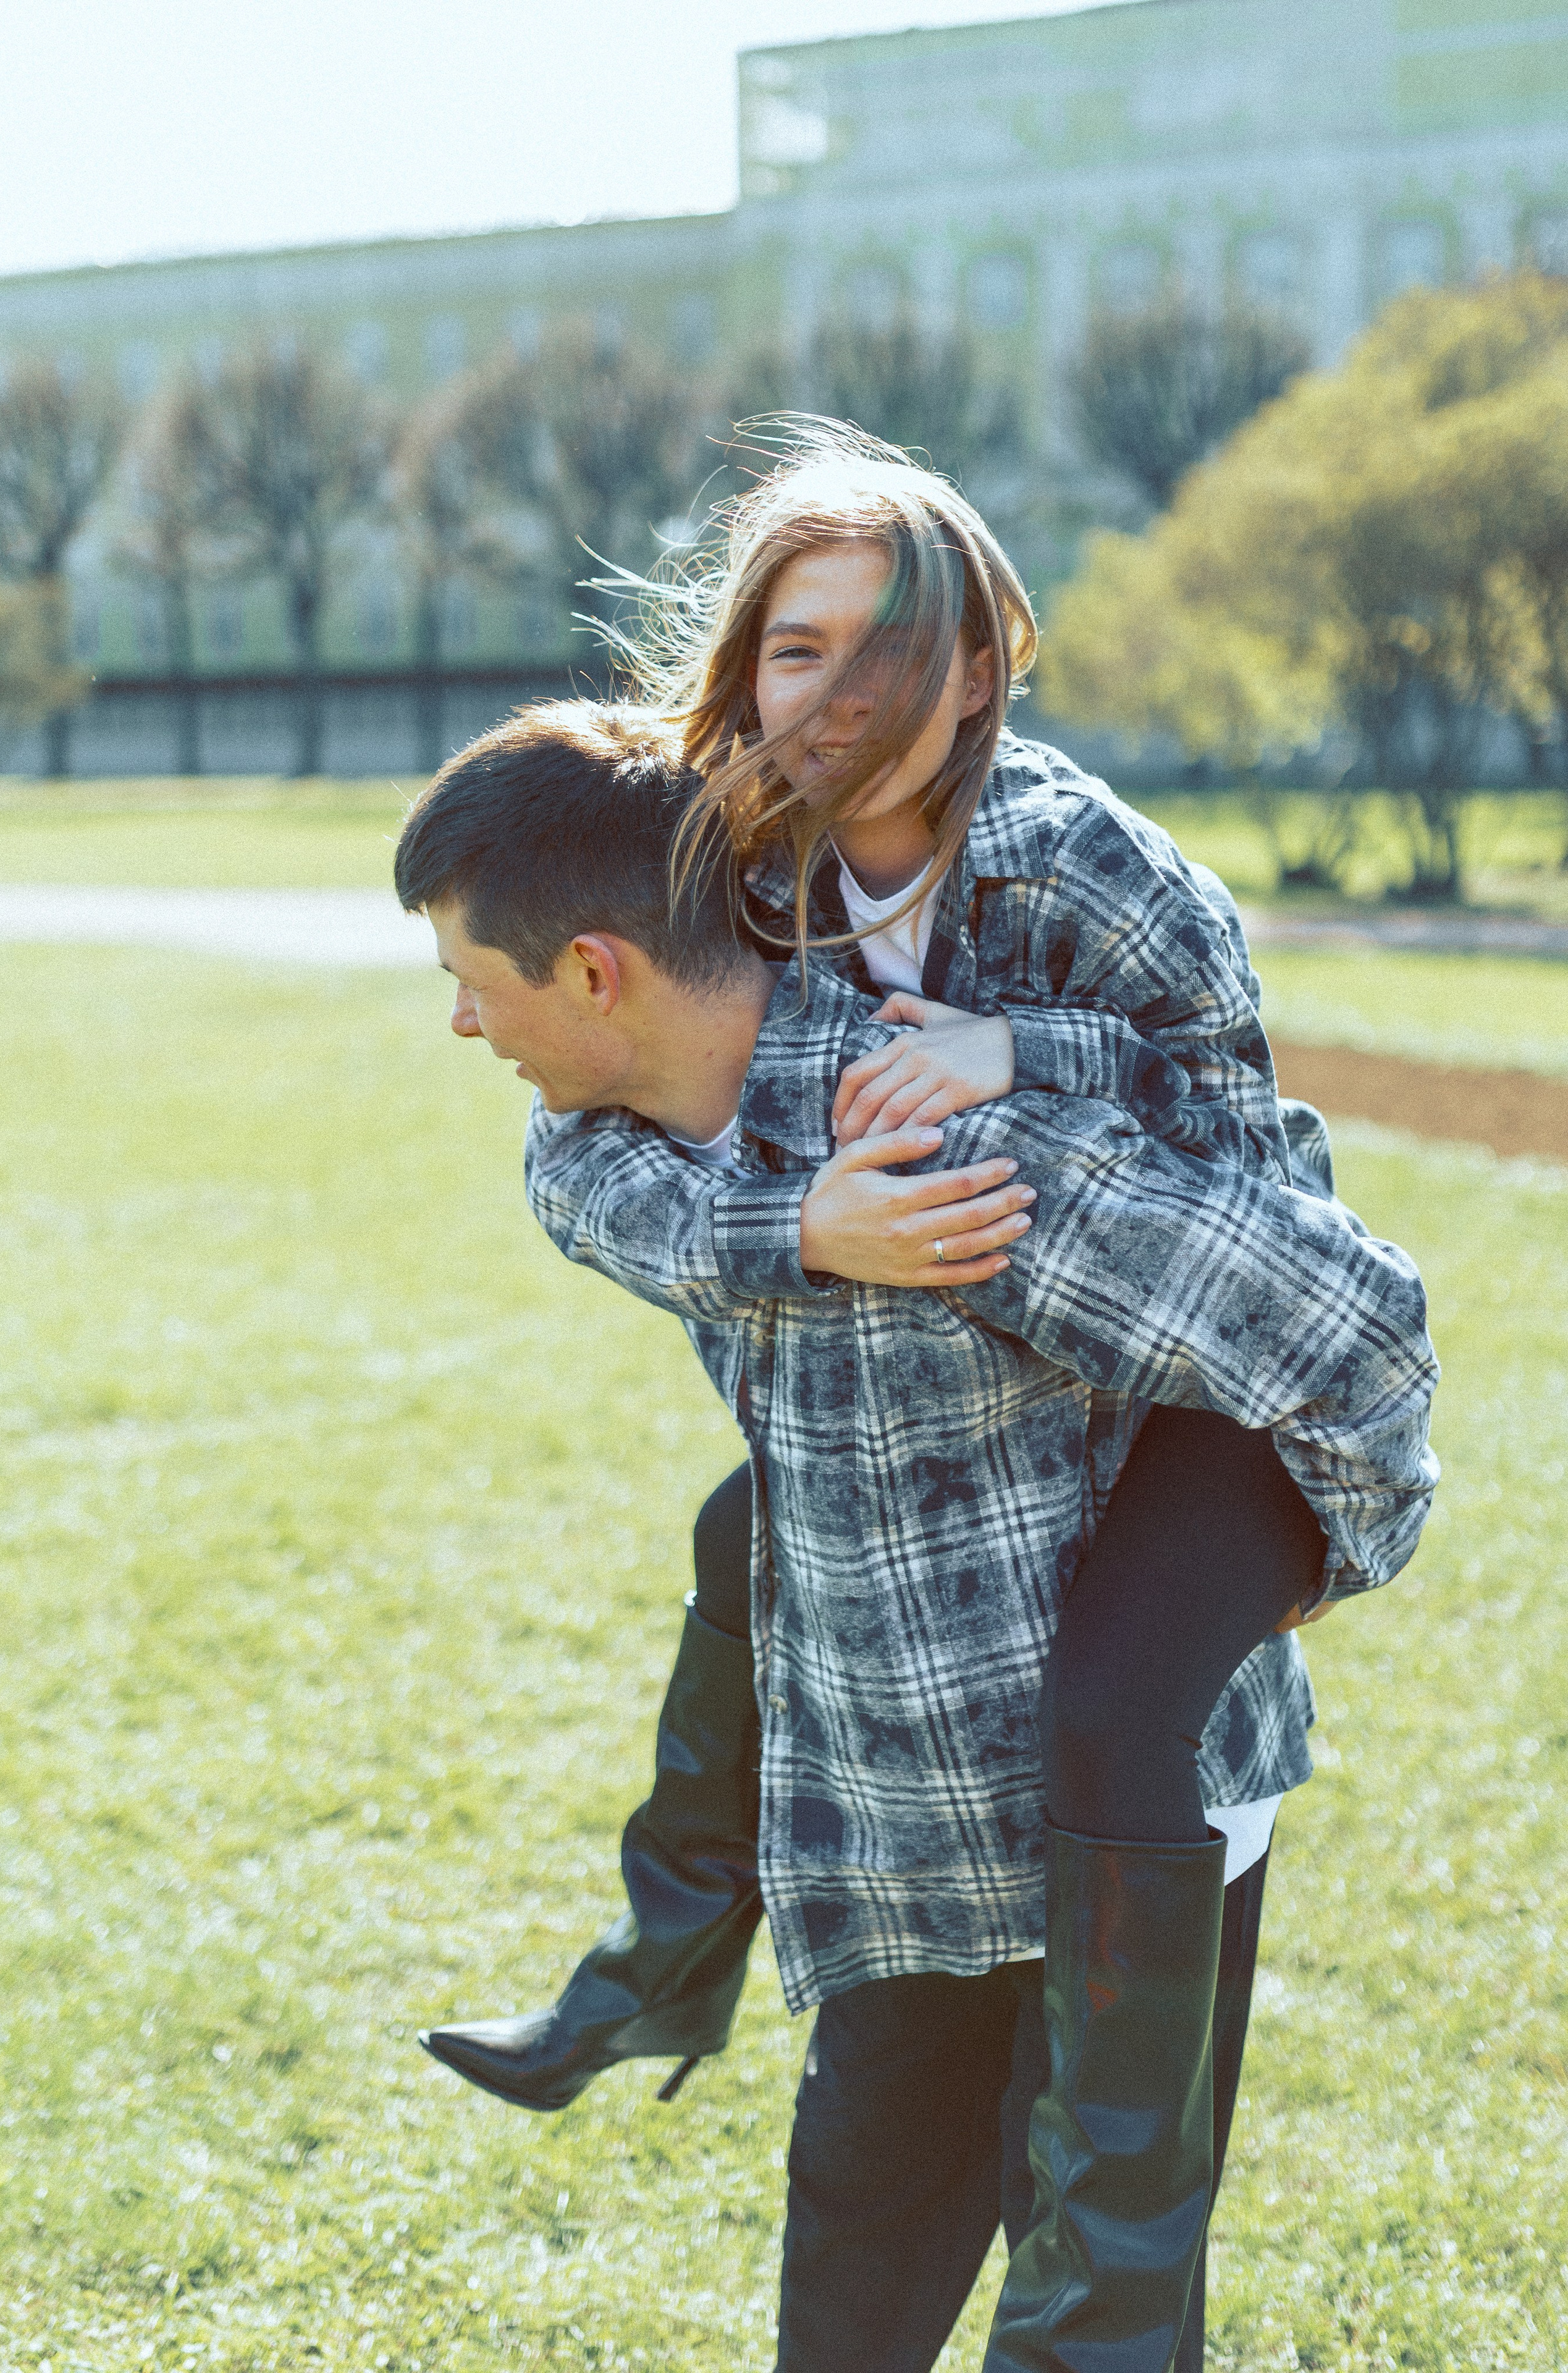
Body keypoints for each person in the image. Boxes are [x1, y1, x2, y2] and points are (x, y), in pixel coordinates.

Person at [398, 698, 1439, 2373]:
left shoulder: (951, 1157)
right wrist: (798, 1228)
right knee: (847, 2313)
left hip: (1122, 1833)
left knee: (1095, 2321)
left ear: (595, 971)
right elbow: (581, 1190)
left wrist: (1321, 1556)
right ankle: (659, 1963)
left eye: (471, 979)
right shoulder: (633, 1129)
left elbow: (1354, 1324)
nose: (459, 1020)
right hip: (900, 1831)